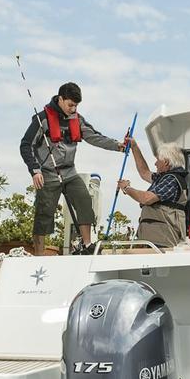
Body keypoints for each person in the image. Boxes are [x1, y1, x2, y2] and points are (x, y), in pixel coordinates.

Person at [19, 82, 125, 255]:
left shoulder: (77, 119)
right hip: (47, 174)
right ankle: (38, 255)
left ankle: (87, 244)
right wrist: (34, 170)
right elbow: (25, 145)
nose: (73, 108)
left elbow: (95, 137)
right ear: (60, 99)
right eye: (70, 104)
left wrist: (118, 146)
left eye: (76, 105)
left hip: (70, 173)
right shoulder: (42, 119)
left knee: (84, 199)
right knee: (43, 215)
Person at [117, 139, 188, 248]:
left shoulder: (171, 180)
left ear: (166, 162)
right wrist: (134, 147)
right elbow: (144, 172)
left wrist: (127, 188)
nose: (155, 163)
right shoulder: (163, 178)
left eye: (157, 160)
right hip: (154, 241)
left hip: (164, 243)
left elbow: (146, 198)